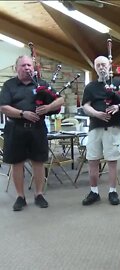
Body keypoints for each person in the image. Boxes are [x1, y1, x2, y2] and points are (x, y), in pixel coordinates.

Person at [0, 55, 65, 211]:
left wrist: (48, 108)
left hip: (37, 128)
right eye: (23, 65)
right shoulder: (9, 85)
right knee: (17, 163)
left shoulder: (41, 84)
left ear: (33, 67)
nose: (27, 68)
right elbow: (3, 107)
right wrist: (23, 113)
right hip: (16, 127)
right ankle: (20, 197)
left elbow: (60, 99)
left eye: (29, 65)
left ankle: (39, 194)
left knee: (38, 162)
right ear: (16, 68)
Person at [81, 56, 120, 206]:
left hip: (113, 128)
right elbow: (86, 105)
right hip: (95, 128)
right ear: (95, 68)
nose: (101, 67)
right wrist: (96, 113)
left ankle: (112, 191)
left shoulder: (118, 83)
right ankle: (94, 192)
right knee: (92, 160)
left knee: (112, 161)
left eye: (104, 64)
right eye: (98, 65)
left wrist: (118, 107)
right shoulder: (90, 86)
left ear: (109, 66)